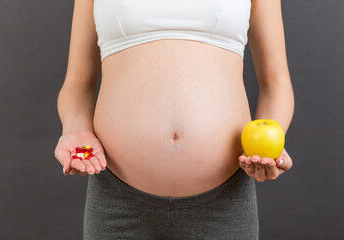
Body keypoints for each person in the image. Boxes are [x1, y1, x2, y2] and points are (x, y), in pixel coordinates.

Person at [54, 0, 294, 239]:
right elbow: (78, 82)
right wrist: (75, 129)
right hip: (118, 202)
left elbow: (276, 83)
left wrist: (268, 148)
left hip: (224, 205)